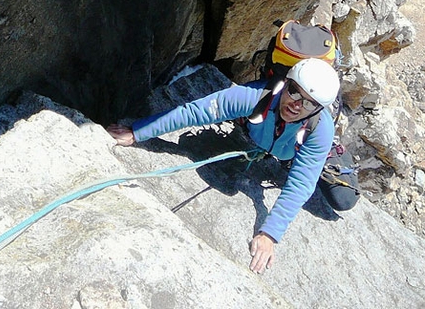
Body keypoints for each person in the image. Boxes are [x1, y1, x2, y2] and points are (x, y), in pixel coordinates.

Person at [107, 57, 340, 274]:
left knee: (342, 199)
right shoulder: (255, 97)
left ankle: (334, 159)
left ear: (319, 110)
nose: (296, 105)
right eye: (294, 92)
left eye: (309, 105)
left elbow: (301, 183)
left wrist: (270, 233)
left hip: (290, 151)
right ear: (285, 83)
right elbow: (196, 112)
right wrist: (138, 132)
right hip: (258, 134)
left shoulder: (320, 131)